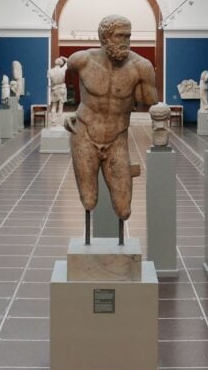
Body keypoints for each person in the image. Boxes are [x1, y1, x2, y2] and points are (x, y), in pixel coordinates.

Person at [65, 14, 158, 243]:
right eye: (120, 36)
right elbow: (63, 88)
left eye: (129, 36)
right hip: (84, 132)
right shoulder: (81, 60)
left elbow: (152, 103)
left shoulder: (140, 67)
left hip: (117, 137)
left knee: (124, 209)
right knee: (88, 200)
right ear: (105, 37)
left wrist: (146, 83)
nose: (126, 41)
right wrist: (69, 113)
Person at [47, 56, 68, 128]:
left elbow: (49, 79)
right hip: (62, 88)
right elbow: (68, 61)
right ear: (61, 63)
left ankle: (53, 121)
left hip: (54, 89)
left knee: (53, 106)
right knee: (60, 107)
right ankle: (59, 123)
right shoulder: (63, 69)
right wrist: (63, 58)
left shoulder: (50, 71)